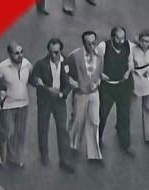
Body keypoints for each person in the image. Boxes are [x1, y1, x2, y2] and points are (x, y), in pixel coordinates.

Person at [28, 39, 74, 173]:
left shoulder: (66, 63)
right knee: (43, 128)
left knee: (62, 130)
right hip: (45, 101)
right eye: (51, 52)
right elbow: (32, 80)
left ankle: (64, 160)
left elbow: (69, 82)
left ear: (61, 51)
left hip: (59, 101)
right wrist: (38, 83)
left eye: (56, 52)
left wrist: (63, 94)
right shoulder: (41, 64)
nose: (53, 55)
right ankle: (44, 155)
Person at [65, 31, 104, 163]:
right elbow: (64, 70)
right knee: (77, 120)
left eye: (94, 42)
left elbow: (99, 72)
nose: (93, 46)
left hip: (94, 93)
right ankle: (72, 145)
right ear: (84, 43)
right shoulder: (75, 56)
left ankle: (94, 154)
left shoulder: (99, 56)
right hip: (80, 94)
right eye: (89, 44)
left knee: (94, 121)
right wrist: (71, 81)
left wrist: (98, 80)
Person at [97, 26, 135, 156]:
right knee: (102, 115)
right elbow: (95, 62)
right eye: (117, 38)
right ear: (112, 37)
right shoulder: (103, 47)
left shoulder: (129, 45)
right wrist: (100, 74)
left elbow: (131, 62)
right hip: (107, 87)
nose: (120, 41)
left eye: (122, 38)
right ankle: (97, 140)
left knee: (124, 116)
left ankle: (126, 144)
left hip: (123, 86)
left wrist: (128, 71)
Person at [0, 44, 32, 168]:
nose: (20, 55)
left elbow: (31, 79)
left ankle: (14, 158)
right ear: (10, 54)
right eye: (17, 53)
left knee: (19, 133)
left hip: (23, 104)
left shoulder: (27, 64)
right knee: (6, 132)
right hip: (7, 105)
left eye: (21, 52)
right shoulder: (2, 67)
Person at [131, 30, 149, 142]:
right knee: (130, 108)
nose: (145, 43)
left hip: (147, 79)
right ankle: (123, 129)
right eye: (143, 41)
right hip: (135, 79)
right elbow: (130, 64)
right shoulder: (133, 49)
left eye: (147, 41)